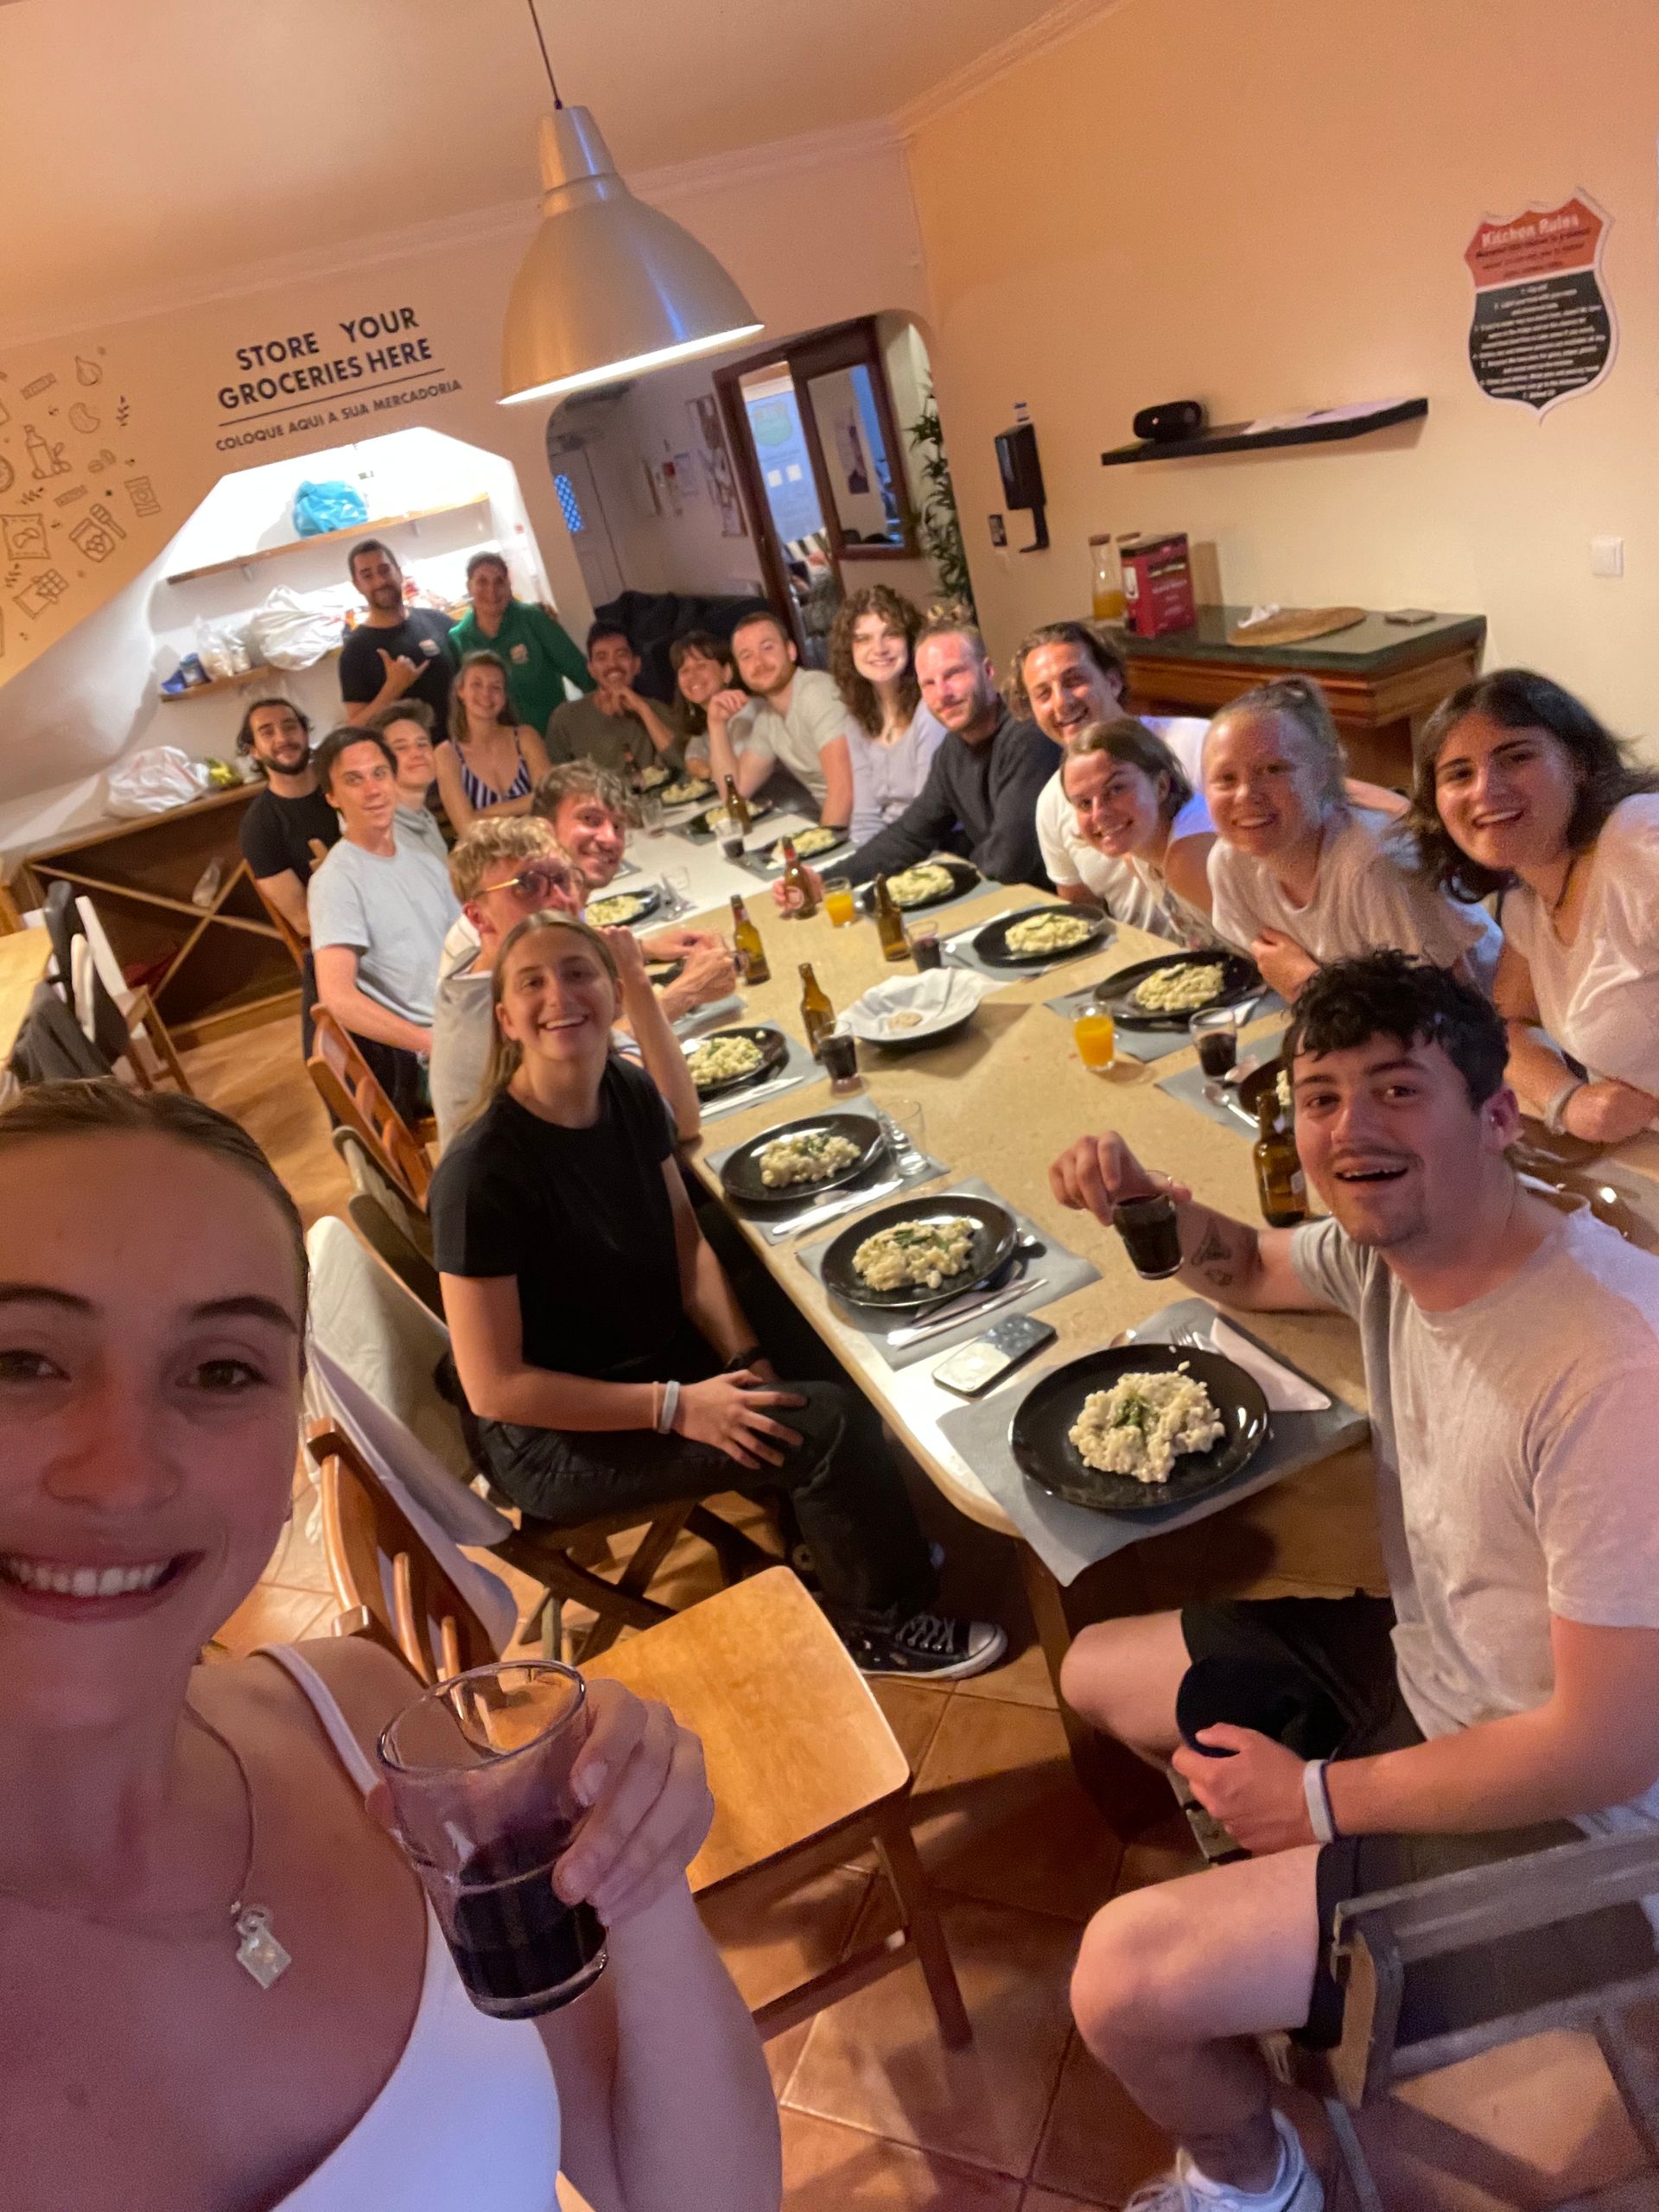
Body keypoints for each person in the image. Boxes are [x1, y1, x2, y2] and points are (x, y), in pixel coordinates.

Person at [0, 1077, 782, 2212]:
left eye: (222, 1370)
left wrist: (639, 1879)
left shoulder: (358, 1724)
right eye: (20, 1361)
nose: (122, 1474)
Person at [1048, 954, 1659, 2212]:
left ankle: (1257, 2177)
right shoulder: (1400, 1244)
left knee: (1117, 1983)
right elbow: (1252, 1265)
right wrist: (1158, 1214)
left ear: (1499, 1117)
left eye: (1397, 1089)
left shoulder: (1610, 1368)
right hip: (1434, 1675)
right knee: (1094, 1668)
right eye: (1322, 1098)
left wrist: (1319, 1800)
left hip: (1579, 1832)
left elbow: (1608, 1751)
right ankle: (1292, 1944)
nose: (1349, 1129)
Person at [430, 911, 1005, 1684]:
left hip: (634, 1346)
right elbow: (496, 1388)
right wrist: (677, 1406)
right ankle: (881, 1626)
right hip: (555, 1434)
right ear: (505, 1019)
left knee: (813, 1321)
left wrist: (747, 1358)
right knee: (824, 1424)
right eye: (532, 982)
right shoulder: (481, 1172)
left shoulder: (625, 1089)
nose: (559, 996)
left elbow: (686, 1244)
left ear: (613, 991)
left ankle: (825, 1530)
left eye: (578, 972)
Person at [1408, 666, 1659, 1142]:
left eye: (1516, 757)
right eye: (1459, 774)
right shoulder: (1528, 897)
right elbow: (1507, 1023)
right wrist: (1568, 1099)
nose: (1484, 789)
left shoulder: (1639, 846)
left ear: (1579, 763)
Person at [1204, 677, 1498, 1000]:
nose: (1246, 794)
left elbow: (1451, 1007)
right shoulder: (1229, 863)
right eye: (1225, 778)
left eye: (1273, 769)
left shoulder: (1375, 866)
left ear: (1325, 772)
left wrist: (1313, 985)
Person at [430, 818, 700, 1153]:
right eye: (526, 885)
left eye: (561, 879)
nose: (558, 900)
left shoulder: (472, 967)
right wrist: (638, 981)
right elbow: (679, 1121)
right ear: (477, 917)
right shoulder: (504, 1020)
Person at [771, 617, 1053, 905]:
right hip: (1005, 897)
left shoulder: (1027, 735)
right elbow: (909, 836)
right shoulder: (952, 751)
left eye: (954, 674)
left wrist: (952, 870)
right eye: (928, 683)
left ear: (988, 670)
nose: (943, 693)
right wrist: (826, 881)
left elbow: (1009, 860)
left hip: (1049, 902)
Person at [307, 726, 461, 1123]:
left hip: (466, 1025)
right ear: (332, 797)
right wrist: (432, 1043)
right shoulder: (336, 881)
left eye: (379, 774)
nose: (373, 790)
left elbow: (469, 943)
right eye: (354, 780)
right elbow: (337, 999)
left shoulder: (422, 859)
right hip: (426, 1060)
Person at [528, 763, 738, 1020]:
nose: (609, 838)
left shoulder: (562, 907)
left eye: (617, 826)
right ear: (543, 829)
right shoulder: (528, 920)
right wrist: (688, 991)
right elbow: (589, 1041)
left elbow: (577, 947)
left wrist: (642, 949)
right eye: (590, 819)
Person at [1058, 718, 1226, 949]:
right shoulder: (1137, 856)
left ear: (1161, 786)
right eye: (1085, 803)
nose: (1098, 814)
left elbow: (1260, 946)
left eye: (1116, 789)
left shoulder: (1187, 854)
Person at [702, 609, 854, 828]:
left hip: (875, 826)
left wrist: (819, 840)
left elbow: (844, 791)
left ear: (790, 651)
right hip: (843, 828)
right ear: (739, 670)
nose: (759, 662)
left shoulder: (816, 693)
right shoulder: (768, 718)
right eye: (746, 656)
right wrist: (716, 724)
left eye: (767, 648)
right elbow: (734, 794)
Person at [827, 586, 946, 846]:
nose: (879, 649)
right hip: (889, 850)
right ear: (848, 651)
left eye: (891, 634)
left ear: (910, 641)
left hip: (936, 848)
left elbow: (928, 819)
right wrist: (862, 861)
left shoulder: (929, 710)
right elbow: (865, 818)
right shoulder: (856, 721)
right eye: (863, 639)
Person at [448, 550, 594, 737]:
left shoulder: (534, 619)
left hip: (554, 737)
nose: (492, 591)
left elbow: (580, 671)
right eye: (482, 582)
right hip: (501, 746)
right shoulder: (459, 639)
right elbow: (461, 704)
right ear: (469, 587)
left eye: (499, 582)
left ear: (509, 585)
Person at [235, 697, 339, 941]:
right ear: (254, 750)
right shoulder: (258, 826)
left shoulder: (344, 782)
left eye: (290, 726)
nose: (282, 738)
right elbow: (304, 922)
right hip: (344, 939)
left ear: (305, 733)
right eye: (267, 732)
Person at [338, 537, 456, 731]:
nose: (380, 581)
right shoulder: (355, 651)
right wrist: (392, 689)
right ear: (357, 585)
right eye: (367, 576)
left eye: (384, 570)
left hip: (462, 746)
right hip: (414, 751)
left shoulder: (438, 621)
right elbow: (355, 730)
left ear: (399, 573)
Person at [434, 651, 553, 834]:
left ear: (504, 697)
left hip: (541, 846)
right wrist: (529, 802)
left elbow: (550, 802)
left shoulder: (526, 737)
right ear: (460, 691)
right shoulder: (446, 754)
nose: (486, 694)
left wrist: (482, 814)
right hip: (487, 852)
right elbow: (466, 829)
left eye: (496, 687)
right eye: (477, 684)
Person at [545, 624, 682, 781]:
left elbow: (683, 764)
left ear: (636, 665)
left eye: (621, 655)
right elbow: (556, 785)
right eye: (602, 657)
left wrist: (643, 709)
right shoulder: (565, 718)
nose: (612, 664)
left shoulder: (654, 709)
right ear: (591, 670)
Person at [363, 698, 448, 859]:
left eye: (422, 744)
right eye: (401, 747)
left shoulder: (423, 817)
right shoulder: (386, 836)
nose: (417, 753)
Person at [665, 631, 738, 776]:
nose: (692, 676)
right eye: (684, 671)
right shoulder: (704, 728)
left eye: (701, 666)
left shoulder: (748, 712)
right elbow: (693, 757)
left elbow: (733, 776)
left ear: (726, 672)